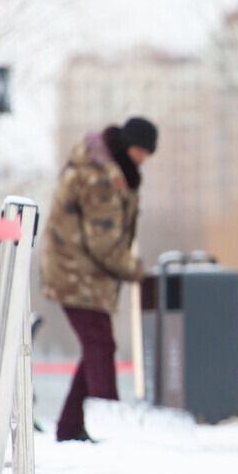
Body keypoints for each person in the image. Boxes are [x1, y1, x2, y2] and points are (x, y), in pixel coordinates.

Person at [40, 117, 157, 442]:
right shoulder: (101, 179)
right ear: (128, 145)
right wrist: (135, 270)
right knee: (100, 345)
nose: (143, 159)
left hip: (79, 273)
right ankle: (109, 421)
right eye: (141, 151)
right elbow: (103, 242)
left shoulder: (107, 170)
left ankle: (70, 427)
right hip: (76, 274)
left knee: (96, 346)